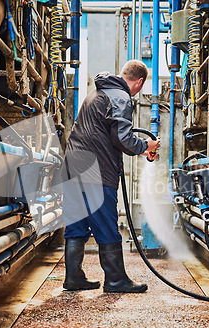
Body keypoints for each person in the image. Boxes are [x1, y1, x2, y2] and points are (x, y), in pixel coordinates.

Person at [62, 60, 161, 293]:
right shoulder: (121, 97)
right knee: (106, 224)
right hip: (96, 172)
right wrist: (146, 144)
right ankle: (116, 280)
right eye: (140, 87)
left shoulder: (96, 93)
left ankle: (73, 277)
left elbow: (109, 134)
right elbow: (122, 139)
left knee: (76, 225)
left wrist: (141, 148)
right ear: (139, 81)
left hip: (73, 167)